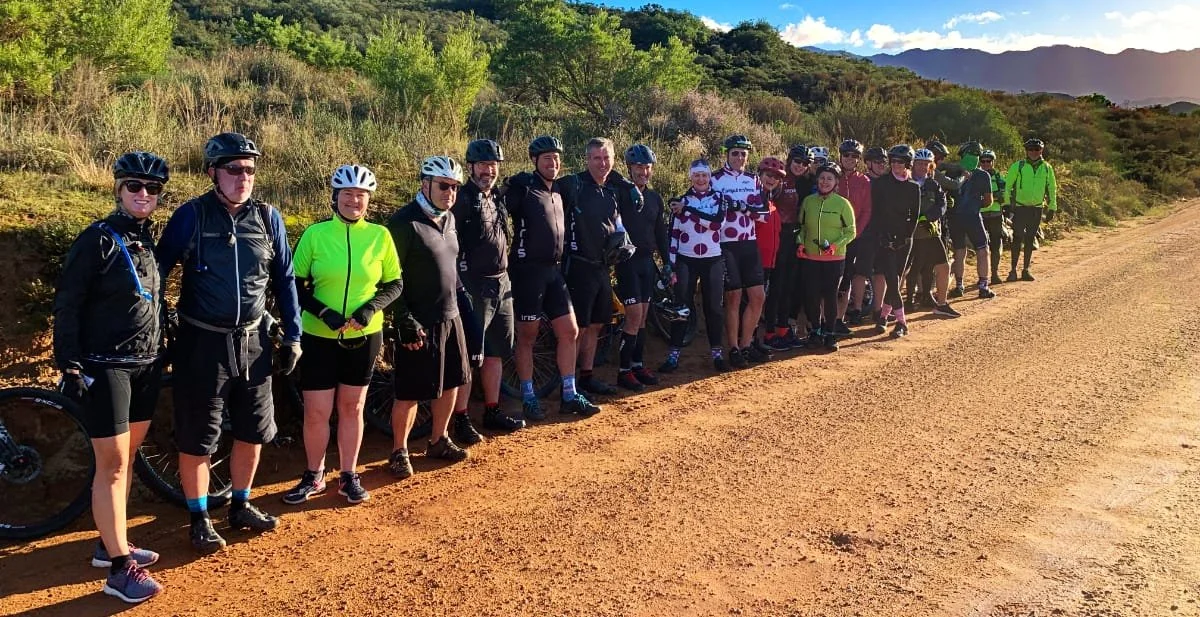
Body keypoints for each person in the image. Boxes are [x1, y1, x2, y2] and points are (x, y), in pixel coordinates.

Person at [157, 133, 302, 553]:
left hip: (254, 341)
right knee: (199, 437)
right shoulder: (191, 216)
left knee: (253, 430)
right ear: (212, 173)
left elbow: (286, 280)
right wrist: (158, 324)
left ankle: (240, 504)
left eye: (250, 170)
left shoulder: (269, 217)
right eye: (234, 169)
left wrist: (293, 335)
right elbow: (158, 271)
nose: (244, 177)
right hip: (203, 342)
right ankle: (200, 517)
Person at [53, 152, 169, 603]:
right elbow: (68, 303)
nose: (144, 194)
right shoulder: (97, 239)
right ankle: (120, 569)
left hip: (145, 363)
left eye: (152, 189)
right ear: (118, 190)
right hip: (104, 366)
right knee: (114, 465)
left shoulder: (147, 239)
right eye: (134, 187)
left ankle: (109, 542)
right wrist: (70, 362)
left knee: (128, 455)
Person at [283, 164, 402, 506]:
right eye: (347, 194)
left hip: (364, 336)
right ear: (335, 198)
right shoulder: (315, 235)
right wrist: (324, 312)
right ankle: (313, 474)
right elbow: (295, 283)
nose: (354, 200)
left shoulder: (380, 236)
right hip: (320, 335)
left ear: (369, 200)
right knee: (317, 411)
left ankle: (349, 474)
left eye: (361, 195)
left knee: (352, 407)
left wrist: (368, 311)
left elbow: (394, 283)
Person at [385, 156, 484, 478]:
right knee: (411, 391)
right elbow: (387, 277)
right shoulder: (403, 223)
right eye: (443, 186)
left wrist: (465, 308)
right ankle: (399, 451)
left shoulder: (449, 219)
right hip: (418, 320)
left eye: (454, 187)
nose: (449, 193)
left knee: (453, 382)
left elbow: (452, 271)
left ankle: (439, 439)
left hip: (450, 313)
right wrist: (402, 319)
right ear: (424, 184)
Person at [504, 136, 600, 420]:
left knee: (569, 331)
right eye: (547, 158)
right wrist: (509, 185)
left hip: (553, 271)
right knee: (527, 337)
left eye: (556, 159)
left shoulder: (559, 191)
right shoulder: (524, 189)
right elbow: (497, 206)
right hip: (527, 271)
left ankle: (569, 394)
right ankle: (529, 396)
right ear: (535, 161)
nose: (553, 163)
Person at [449, 140, 526, 438]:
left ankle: (492, 410)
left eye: (493, 165)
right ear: (470, 167)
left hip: (501, 281)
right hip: (473, 286)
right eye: (483, 165)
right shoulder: (462, 198)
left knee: (495, 353)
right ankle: (461, 417)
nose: (489, 170)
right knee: (470, 355)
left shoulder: (497, 196)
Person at [559, 138, 637, 397]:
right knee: (578, 328)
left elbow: (616, 221)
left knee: (595, 325)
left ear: (613, 160)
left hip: (602, 268)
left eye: (606, 158)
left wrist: (623, 240)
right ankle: (568, 384)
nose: (602, 164)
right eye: (596, 158)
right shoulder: (573, 184)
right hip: (577, 267)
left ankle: (587, 376)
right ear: (587, 159)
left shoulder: (612, 190)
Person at [660, 159, 731, 373]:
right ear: (691, 176)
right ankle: (673, 356)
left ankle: (717, 354)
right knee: (681, 308)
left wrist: (688, 210)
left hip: (712, 259)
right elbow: (673, 236)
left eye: (705, 175)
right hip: (686, 259)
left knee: (714, 308)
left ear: (710, 177)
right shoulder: (681, 201)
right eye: (697, 175)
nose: (701, 179)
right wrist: (670, 266)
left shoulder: (719, 198)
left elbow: (717, 223)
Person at [614, 144, 670, 391]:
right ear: (630, 168)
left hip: (648, 261)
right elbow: (610, 177)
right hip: (627, 262)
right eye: (638, 167)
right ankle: (623, 370)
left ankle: (637, 364)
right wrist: (627, 184)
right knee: (633, 316)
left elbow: (661, 233)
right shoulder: (621, 192)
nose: (643, 172)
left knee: (644, 317)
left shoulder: (655, 198)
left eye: (647, 167)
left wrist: (668, 263)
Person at [711, 135, 768, 367]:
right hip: (725, 244)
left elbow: (762, 214)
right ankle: (733, 347)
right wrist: (745, 209)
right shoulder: (715, 179)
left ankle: (745, 345)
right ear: (727, 154)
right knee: (733, 297)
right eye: (735, 153)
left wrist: (742, 207)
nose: (739, 157)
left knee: (757, 296)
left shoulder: (753, 179)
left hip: (749, 242)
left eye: (743, 153)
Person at [797, 162, 856, 351]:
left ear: (836, 182)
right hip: (810, 257)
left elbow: (851, 231)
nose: (825, 182)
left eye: (829, 179)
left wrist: (835, 246)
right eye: (822, 178)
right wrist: (799, 243)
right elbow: (802, 227)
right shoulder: (808, 201)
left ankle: (830, 334)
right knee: (811, 296)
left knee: (830, 296)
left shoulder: (842, 204)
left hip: (835, 258)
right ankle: (815, 332)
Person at [868, 145, 922, 337]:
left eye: (900, 162)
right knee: (891, 278)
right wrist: (881, 236)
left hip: (905, 240)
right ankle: (902, 323)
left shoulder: (914, 187)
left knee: (895, 280)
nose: (896, 165)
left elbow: (914, 216)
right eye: (893, 161)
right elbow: (875, 212)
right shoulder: (882, 183)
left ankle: (883, 317)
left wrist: (906, 237)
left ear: (908, 164)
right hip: (884, 239)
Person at [764, 145, 813, 350]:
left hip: (794, 236)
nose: (800, 166)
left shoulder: (805, 182)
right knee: (776, 287)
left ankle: (783, 330)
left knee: (788, 286)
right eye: (797, 161)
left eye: (804, 163)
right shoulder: (780, 179)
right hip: (778, 235)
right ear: (790, 159)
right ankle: (769, 334)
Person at [907, 149, 960, 318]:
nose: (922, 167)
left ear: (931, 166)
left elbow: (942, 204)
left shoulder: (933, 184)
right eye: (919, 163)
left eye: (926, 164)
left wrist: (928, 217)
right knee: (910, 268)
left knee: (942, 266)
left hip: (931, 232)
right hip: (910, 234)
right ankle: (905, 302)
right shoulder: (905, 182)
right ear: (913, 164)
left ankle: (941, 303)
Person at [948, 141, 997, 299]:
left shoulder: (952, 171)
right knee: (982, 250)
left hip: (954, 217)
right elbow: (989, 201)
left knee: (959, 252)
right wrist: (976, 204)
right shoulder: (983, 175)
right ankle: (983, 286)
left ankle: (959, 285)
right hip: (973, 217)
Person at [1005, 138, 1058, 281]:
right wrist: (1006, 203)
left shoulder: (1047, 167)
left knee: (1030, 239)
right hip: (1020, 207)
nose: (1033, 152)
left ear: (1041, 150)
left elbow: (1052, 188)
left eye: (1036, 149)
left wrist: (1052, 207)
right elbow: (1008, 185)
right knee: (1016, 239)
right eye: (1030, 149)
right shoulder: (1019, 166)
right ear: (1026, 151)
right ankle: (1012, 270)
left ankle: (1026, 270)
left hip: (1036, 208)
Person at [833, 139, 872, 332]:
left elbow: (866, 210)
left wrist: (856, 232)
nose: (850, 158)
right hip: (830, 237)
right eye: (846, 155)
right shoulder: (831, 176)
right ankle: (824, 321)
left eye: (854, 156)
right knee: (829, 280)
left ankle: (839, 319)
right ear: (840, 156)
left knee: (846, 279)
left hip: (852, 238)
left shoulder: (863, 181)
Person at [753, 156, 784, 357]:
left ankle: (753, 340)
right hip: (754, 260)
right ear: (760, 175)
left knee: (758, 304)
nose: (771, 179)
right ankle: (746, 342)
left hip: (768, 262)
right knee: (752, 303)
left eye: (776, 177)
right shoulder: (754, 199)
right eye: (768, 175)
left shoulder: (771, 201)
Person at [978, 149, 1009, 285]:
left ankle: (995, 274)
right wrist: (993, 196)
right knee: (981, 247)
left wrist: (991, 196)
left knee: (996, 245)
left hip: (996, 215)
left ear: (993, 162)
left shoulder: (999, 178)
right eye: (983, 161)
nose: (985, 164)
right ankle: (983, 276)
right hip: (980, 215)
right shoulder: (975, 176)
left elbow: (1004, 196)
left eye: (988, 161)